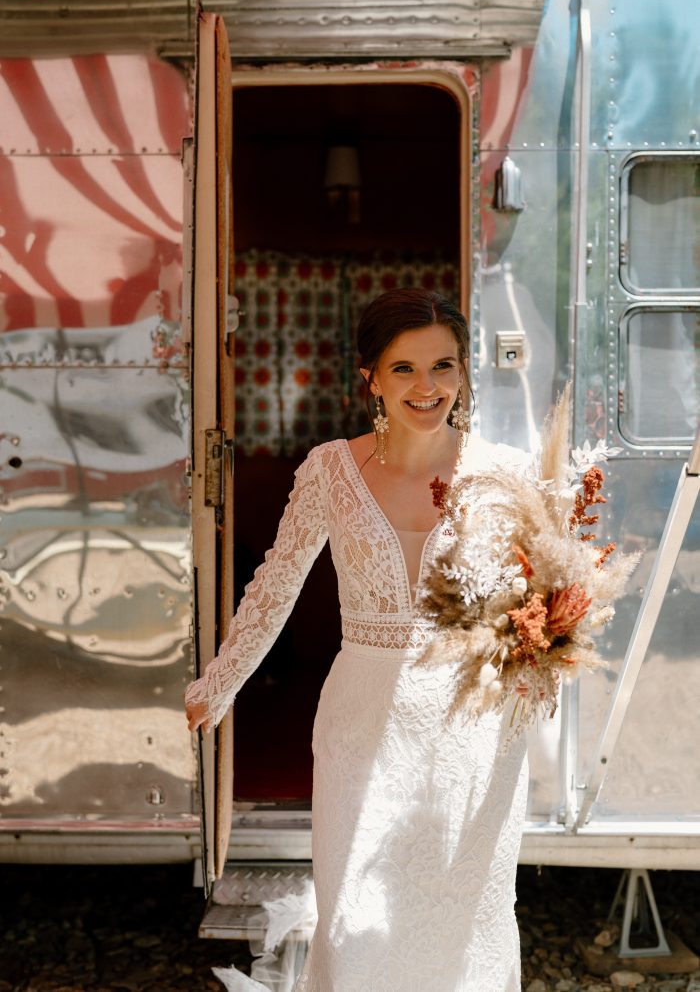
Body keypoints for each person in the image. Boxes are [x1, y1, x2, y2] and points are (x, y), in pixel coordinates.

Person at [185, 288, 537, 992]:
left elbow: (535, 603)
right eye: (404, 368)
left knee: (465, 917)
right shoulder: (329, 471)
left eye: (443, 366)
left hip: (473, 729)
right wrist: (219, 683)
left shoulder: (507, 472)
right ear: (369, 377)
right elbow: (274, 585)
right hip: (361, 722)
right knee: (357, 919)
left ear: (464, 373)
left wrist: (537, 668)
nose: (427, 386)